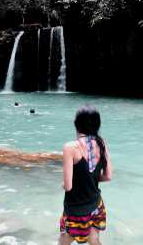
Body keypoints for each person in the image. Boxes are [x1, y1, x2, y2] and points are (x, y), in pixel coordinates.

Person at [59, 105, 112, 245]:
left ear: (76, 124)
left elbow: (68, 186)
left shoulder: (70, 148)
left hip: (76, 210)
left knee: (63, 241)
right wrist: (90, 179)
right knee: (94, 240)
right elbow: (108, 176)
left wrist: (63, 184)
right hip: (96, 205)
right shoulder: (102, 143)